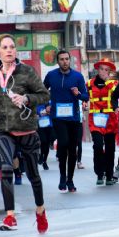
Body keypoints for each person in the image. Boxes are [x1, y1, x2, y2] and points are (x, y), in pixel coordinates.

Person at [0, 34, 49, 234]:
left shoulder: (27, 71)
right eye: (5, 47)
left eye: (12, 47)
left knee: (33, 176)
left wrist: (27, 98)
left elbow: (45, 95)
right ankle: (10, 216)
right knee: (6, 170)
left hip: (27, 129)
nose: (9, 50)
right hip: (4, 130)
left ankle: (40, 211)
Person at [43, 50, 89, 193]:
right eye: (62, 59)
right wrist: (46, 105)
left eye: (67, 59)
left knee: (72, 149)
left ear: (70, 60)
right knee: (63, 144)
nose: (64, 61)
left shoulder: (77, 76)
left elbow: (86, 97)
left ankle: (70, 180)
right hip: (58, 117)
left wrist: (78, 94)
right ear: (58, 61)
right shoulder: (51, 76)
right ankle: (62, 177)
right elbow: (42, 91)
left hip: (73, 118)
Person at [86, 58, 119, 186]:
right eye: (102, 69)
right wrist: (83, 103)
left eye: (107, 70)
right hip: (95, 119)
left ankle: (109, 175)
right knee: (98, 146)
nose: (104, 72)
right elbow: (84, 97)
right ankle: (100, 172)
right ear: (97, 70)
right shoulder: (89, 84)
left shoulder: (114, 84)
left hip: (110, 119)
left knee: (110, 148)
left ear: (109, 72)